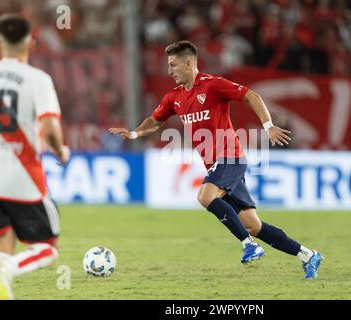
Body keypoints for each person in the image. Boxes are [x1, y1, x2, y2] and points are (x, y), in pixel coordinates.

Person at [109, 40, 323, 279]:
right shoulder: (175, 98)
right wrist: (135, 133)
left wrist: (269, 126)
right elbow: (155, 120)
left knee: (205, 196)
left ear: (188, 63)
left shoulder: (212, 85)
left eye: (173, 65)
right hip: (217, 165)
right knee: (253, 225)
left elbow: (251, 96)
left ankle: (249, 246)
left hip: (230, 156)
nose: (169, 71)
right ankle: (308, 255)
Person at [0, 14, 70, 300]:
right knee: (49, 247)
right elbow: (49, 127)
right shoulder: (38, 79)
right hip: (23, 177)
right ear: (30, 43)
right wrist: (61, 151)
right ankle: (9, 269)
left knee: (1, 240)